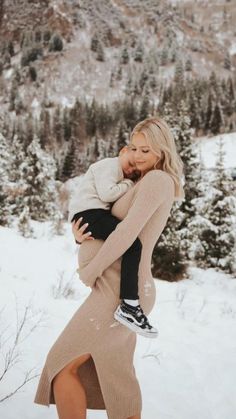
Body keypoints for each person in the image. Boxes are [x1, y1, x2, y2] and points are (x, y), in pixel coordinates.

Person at [34, 116, 184, 419]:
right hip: (116, 287)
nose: (139, 155)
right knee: (116, 379)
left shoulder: (157, 181)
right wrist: (82, 237)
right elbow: (109, 224)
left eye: (147, 150)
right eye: (134, 148)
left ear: (163, 151)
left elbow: (127, 235)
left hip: (119, 292)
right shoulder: (140, 180)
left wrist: (89, 270)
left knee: (62, 364)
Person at [68, 146, 158, 338]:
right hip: (89, 214)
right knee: (133, 245)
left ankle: (128, 303)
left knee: (129, 245)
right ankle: (129, 304)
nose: (130, 170)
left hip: (90, 215)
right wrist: (129, 184)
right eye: (130, 164)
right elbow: (108, 194)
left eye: (134, 172)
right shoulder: (109, 165)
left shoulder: (116, 171)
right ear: (123, 151)